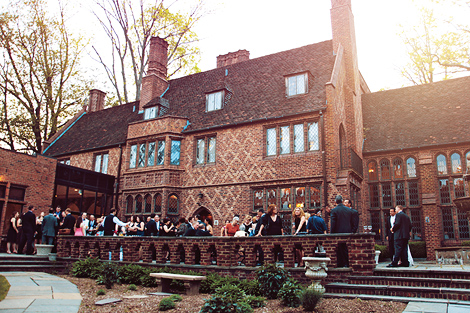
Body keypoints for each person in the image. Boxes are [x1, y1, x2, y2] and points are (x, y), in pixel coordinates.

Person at [330, 195, 354, 267]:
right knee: (346, 248)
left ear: (335, 201)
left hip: (338, 233)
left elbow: (333, 224)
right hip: (347, 232)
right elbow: (352, 222)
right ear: (342, 201)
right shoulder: (349, 210)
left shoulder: (334, 210)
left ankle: (340, 263)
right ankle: (347, 263)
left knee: (339, 249)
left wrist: (331, 234)